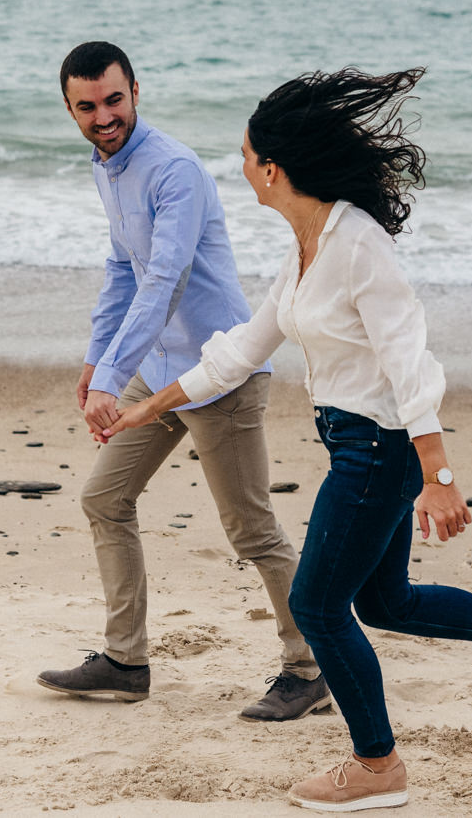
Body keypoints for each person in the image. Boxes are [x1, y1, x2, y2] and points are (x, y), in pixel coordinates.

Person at [98, 66, 472, 812]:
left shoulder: (358, 245)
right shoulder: (305, 245)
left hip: (381, 448)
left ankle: (377, 762)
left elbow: (408, 357)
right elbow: (242, 347)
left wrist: (439, 471)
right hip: (355, 443)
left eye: (244, 155)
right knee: (386, 600)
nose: (239, 168)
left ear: (272, 168)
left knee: (319, 602)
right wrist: (151, 405)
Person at [35, 41, 331, 722]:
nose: (103, 116)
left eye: (114, 99)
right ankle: (125, 660)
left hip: (221, 371)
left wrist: (113, 374)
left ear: (136, 90)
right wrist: (96, 360)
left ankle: (310, 667)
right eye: (88, 106)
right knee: (104, 497)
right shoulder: (106, 166)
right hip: (161, 369)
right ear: (70, 108)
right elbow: (122, 268)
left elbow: (164, 281)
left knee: (252, 530)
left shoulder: (173, 169)